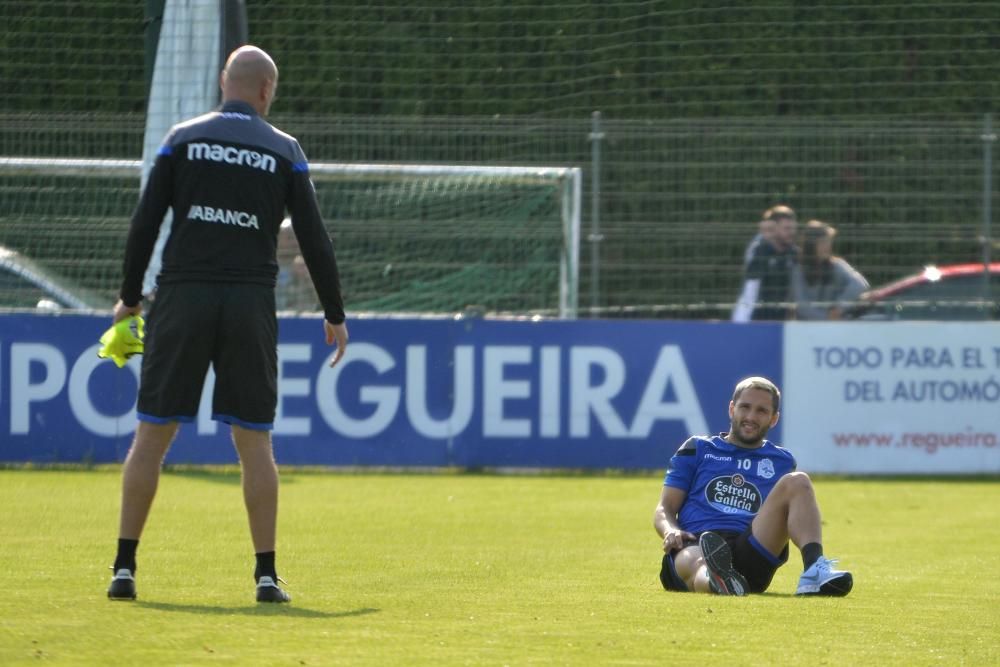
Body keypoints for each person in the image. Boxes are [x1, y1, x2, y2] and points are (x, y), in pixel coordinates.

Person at [106, 45, 349, 604]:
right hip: (248, 303)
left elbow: (145, 222)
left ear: (224, 83)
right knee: (254, 442)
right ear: (266, 91)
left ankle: (124, 568)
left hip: (183, 296)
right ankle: (265, 576)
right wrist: (334, 313)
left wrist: (129, 299)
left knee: (151, 437)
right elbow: (314, 238)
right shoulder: (284, 150)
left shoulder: (182, 138)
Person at [652, 376, 853, 596]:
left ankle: (815, 571)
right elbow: (665, 508)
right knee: (697, 560)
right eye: (745, 407)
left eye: (761, 411)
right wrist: (670, 530)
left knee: (798, 481)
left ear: (774, 418)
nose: (751, 416)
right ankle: (718, 580)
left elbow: (784, 517)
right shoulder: (697, 448)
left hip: (751, 548)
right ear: (732, 409)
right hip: (697, 540)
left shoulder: (781, 461)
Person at [791, 219, 869, 320]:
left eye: (829, 242)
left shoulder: (837, 265)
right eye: (822, 242)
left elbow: (861, 284)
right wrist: (827, 318)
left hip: (835, 327)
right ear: (810, 245)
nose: (827, 246)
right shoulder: (798, 270)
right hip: (807, 329)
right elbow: (802, 306)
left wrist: (839, 307)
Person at [732, 205, 798, 322]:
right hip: (753, 319)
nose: (792, 232)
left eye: (793, 228)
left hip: (781, 321)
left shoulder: (793, 253)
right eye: (787, 228)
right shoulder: (758, 250)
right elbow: (750, 289)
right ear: (773, 228)